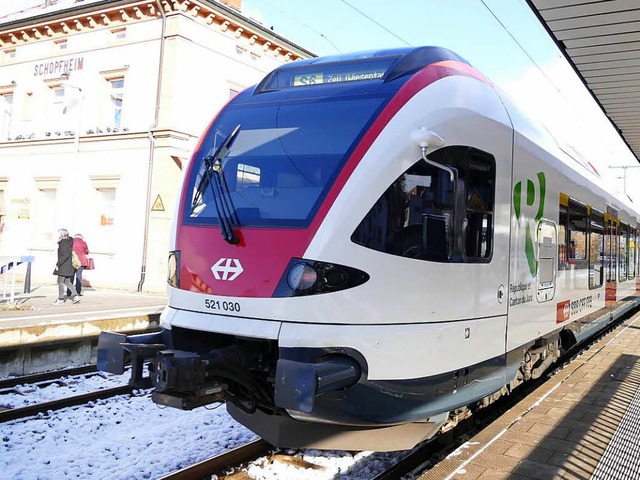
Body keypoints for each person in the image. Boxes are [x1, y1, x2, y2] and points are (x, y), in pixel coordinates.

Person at [53, 228, 80, 305]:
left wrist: (58, 264)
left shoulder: (63, 243)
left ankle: (61, 299)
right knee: (67, 282)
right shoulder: (69, 241)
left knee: (60, 281)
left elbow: (64, 255)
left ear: (62, 234)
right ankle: (75, 296)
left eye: (58, 234)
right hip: (68, 265)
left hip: (63, 266)